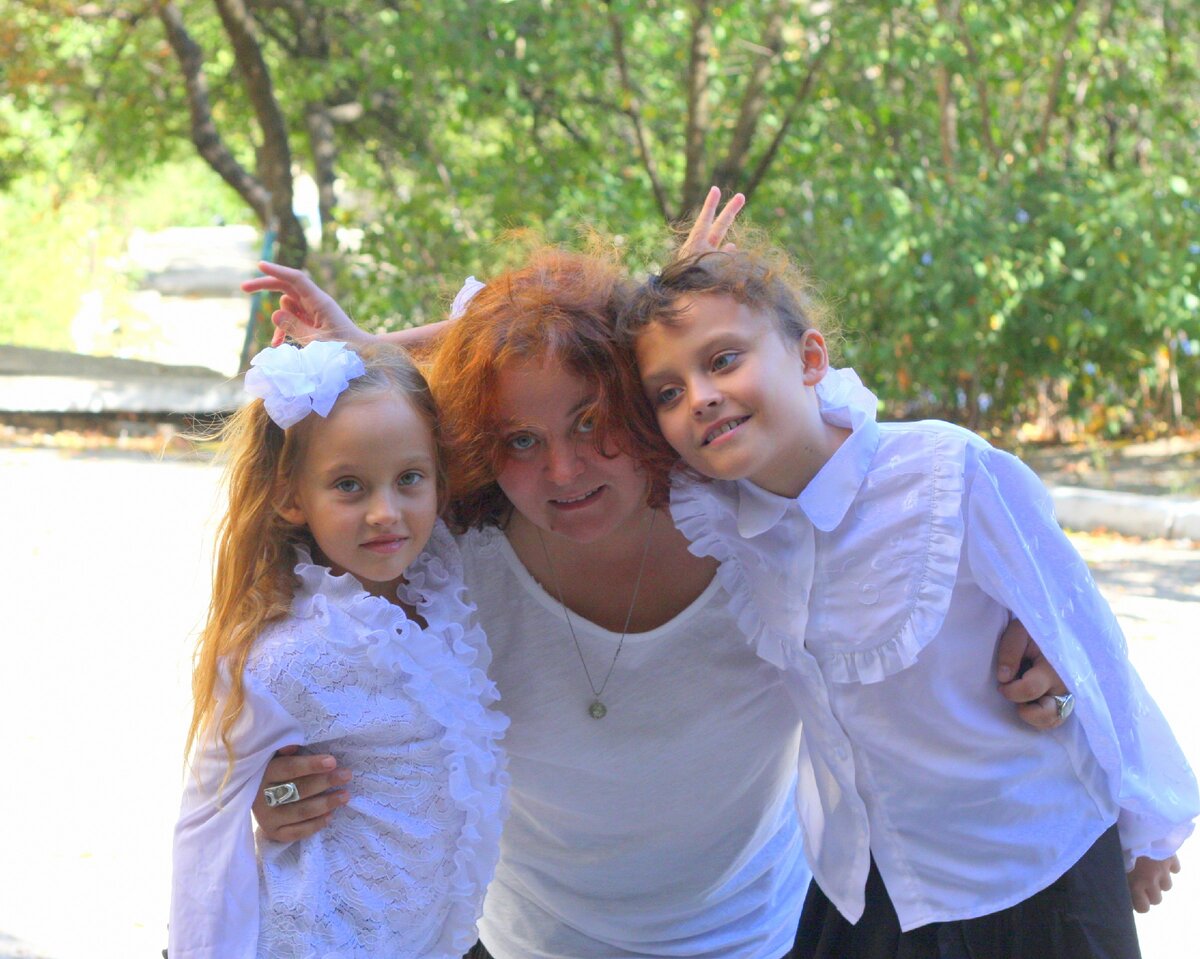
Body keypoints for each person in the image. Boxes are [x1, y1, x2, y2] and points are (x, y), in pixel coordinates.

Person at [239, 191, 1076, 959]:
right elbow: (313, 704)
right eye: (521, 440)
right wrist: (272, 796)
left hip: (758, 936)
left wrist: (1031, 646)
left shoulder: (756, 526)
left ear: (644, 403)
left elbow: (907, 516)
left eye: (591, 421)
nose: (564, 470)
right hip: (522, 942)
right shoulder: (446, 566)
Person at [618, 240, 1199, 958]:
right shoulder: (719, 521)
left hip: (1030, 875)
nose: (699, 396)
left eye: (724, 359)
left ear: (810, 359)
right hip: (868, 887)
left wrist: (1149, 827)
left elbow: (1083, 638)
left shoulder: (947, 472)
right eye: (667, 393)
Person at [169, 341, 508, 958]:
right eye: (349, 485)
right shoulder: (286, 658)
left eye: (409, 479)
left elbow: (496, 343)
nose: (386, 513)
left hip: (430, 939)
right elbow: (209, 818)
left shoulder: (444, 586)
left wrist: (377, 348)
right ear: (291, 497)